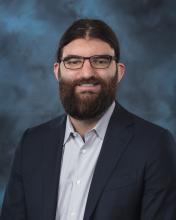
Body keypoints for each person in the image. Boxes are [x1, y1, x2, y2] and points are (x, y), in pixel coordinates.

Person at [1, 19, 176, 220]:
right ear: (57, 71)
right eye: (73, 61)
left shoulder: (154, 145)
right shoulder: (31, 143)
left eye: (100, 61)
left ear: (119, 72)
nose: (87, 73)